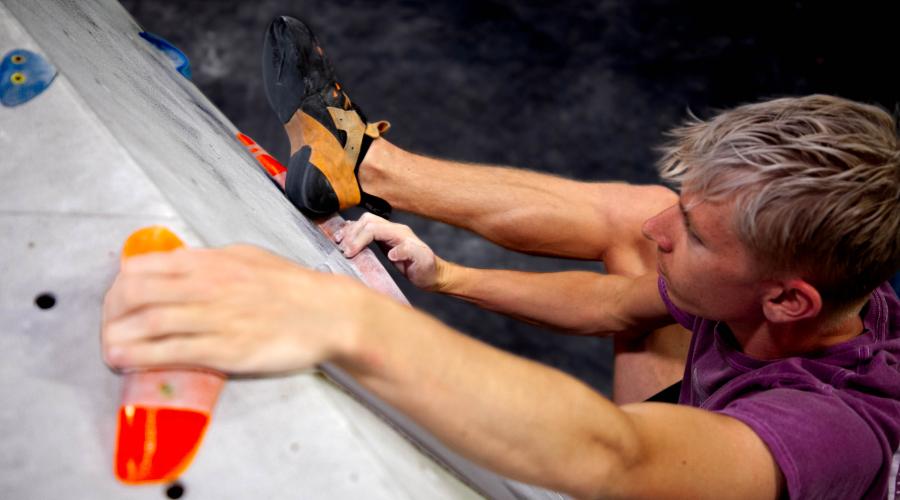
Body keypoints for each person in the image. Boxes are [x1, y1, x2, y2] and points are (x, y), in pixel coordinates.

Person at [101, 17, 900, 499]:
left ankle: (362, 166)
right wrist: (446, 276)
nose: (664, 229)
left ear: (789, 302)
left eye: (691, 231)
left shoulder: (835, 429)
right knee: (629, 220)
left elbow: (613, 460)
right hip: (704, 415)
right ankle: (363, 166)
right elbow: (624, 306)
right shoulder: (795, 298)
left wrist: (337, 318)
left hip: (692, 472)